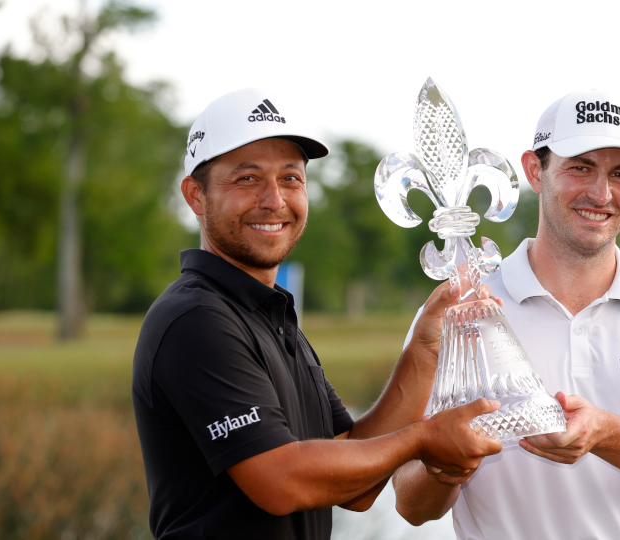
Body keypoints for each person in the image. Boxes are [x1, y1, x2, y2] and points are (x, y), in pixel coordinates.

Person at [131, 88, 502, 540]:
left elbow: (355, 479)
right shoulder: (194, 318)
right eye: (247, 179)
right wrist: (422, 440)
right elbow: (281, 481)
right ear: (195, 195)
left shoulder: (271, 315)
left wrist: (424, 351)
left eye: (290, 178)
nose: (274, 200)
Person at [392, 90, 620, 539]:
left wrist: (604, 432)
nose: (601, 193)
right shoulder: (457, 312)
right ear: (536, 171)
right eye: (580, 167)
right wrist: (449, 462)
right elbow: (410, 503)